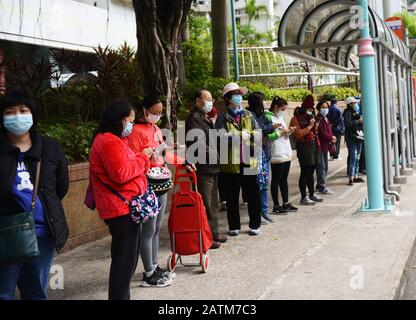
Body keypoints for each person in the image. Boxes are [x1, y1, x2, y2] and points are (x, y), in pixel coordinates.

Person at [0, 92, 69, 300]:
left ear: (32, 115)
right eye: (10, 112)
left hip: (42, 234)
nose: (17, 116)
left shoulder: (50, 147)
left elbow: (60, 187)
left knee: (36, 291)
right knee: (3, 292)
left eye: (23, 111)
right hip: (5, 234)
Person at [89, 100, 153, 299]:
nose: (131, 126)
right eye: (130, 120)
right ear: (119, 119)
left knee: (127, 261)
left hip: (125, 207)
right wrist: (143, 158)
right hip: (120, 209)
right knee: (124, 262)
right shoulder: (108, 141)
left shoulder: (114, 139)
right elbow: (121, 173)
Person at [128, 95, 194, 287]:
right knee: (148, 230)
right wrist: (146, 157)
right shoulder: (136, 132)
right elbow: (134, 161)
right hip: (147, 184)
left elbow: (164, 154)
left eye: (160, 112)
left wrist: (184, 162)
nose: (157, 116)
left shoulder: (155, 128)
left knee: (156, 228)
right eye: (154, 112)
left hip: (161, 183)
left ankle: (154, 266)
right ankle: (149, 272)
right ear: (144, 111)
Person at [215, 82, 262, 236]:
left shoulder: (249, 115)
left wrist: (251, 136)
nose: (239, 97)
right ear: (228, 98)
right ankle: (233, 226)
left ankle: (255, 224)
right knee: (232, 196)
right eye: (236, 94)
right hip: (231, 163)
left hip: (249, 160)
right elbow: (221, 137)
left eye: (240, 94)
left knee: (253, 195)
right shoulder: (222, 117)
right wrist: (240, 136)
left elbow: (258, 133)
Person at [185, 89, 228, 249]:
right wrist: (217, 156)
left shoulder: (204, 118)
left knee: (213, 203)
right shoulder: (194, 119)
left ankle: (214, 233)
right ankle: (206, 238)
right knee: (206, 205)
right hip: (203, 167)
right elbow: (199, 145)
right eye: (207, 99)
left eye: (211, 99)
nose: (211, 102)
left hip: (211, 166)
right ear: (198, 101)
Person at [247, 92, 279, 224]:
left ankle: (264, 211)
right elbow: (259, 131)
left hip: (264, 153)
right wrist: (271, 127)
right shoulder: (249, 115)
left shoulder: (263, 115)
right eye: (263, 100)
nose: (265, 103)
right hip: (253, 155)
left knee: (265, 183)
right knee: (256, 186)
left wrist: (269, 128)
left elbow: (267, 130)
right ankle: (256, 213)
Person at [289, 94, 323, 206]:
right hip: (304, 147)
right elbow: (298, 135)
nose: (311, 111)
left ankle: (311, 194)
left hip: (313, 146)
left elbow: (314, 133)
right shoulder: (296, 119)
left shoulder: (311, 118)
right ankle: (303, 197)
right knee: (305, 172)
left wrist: (315, 126)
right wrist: (310, 126)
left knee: (311, 172)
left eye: (312, 109)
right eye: (309, 109)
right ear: (304, 108)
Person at [266, 97, 298, 214]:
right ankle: (276, 205)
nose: (282, 111)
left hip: (285, 151)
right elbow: (268, 136)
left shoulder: (280, 117)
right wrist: (281, 132)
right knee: (276, 180)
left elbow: (282, 132)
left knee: (284, 179)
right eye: (282, 109)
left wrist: (288, 131)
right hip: (276, 153)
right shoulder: (268, 117)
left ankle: (286, 203)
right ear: (276, 106)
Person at [315, 100, 336, 195]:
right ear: (319, 108)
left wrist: (333, 137)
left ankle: (320, 184)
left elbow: (329, 130)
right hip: (319, 146)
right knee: (322, 167)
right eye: (323, 107)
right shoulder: (318, 119)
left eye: (326, 107)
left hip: (325, 146)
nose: (325, 109)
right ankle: (322, 186)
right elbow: (321, 133)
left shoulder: (326, 118)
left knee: (324, 167)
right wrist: (331, 137)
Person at [343, 97, 365, 186]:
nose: (355, 104)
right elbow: (348, 124)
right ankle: (351, 177)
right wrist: (358, 121)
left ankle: (355, 175)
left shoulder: (354, 112)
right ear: (350, 104)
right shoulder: (347, 113)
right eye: (354, 103)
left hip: (358, 137)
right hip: (351, 138)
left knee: (357, 157)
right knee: (353, 157)